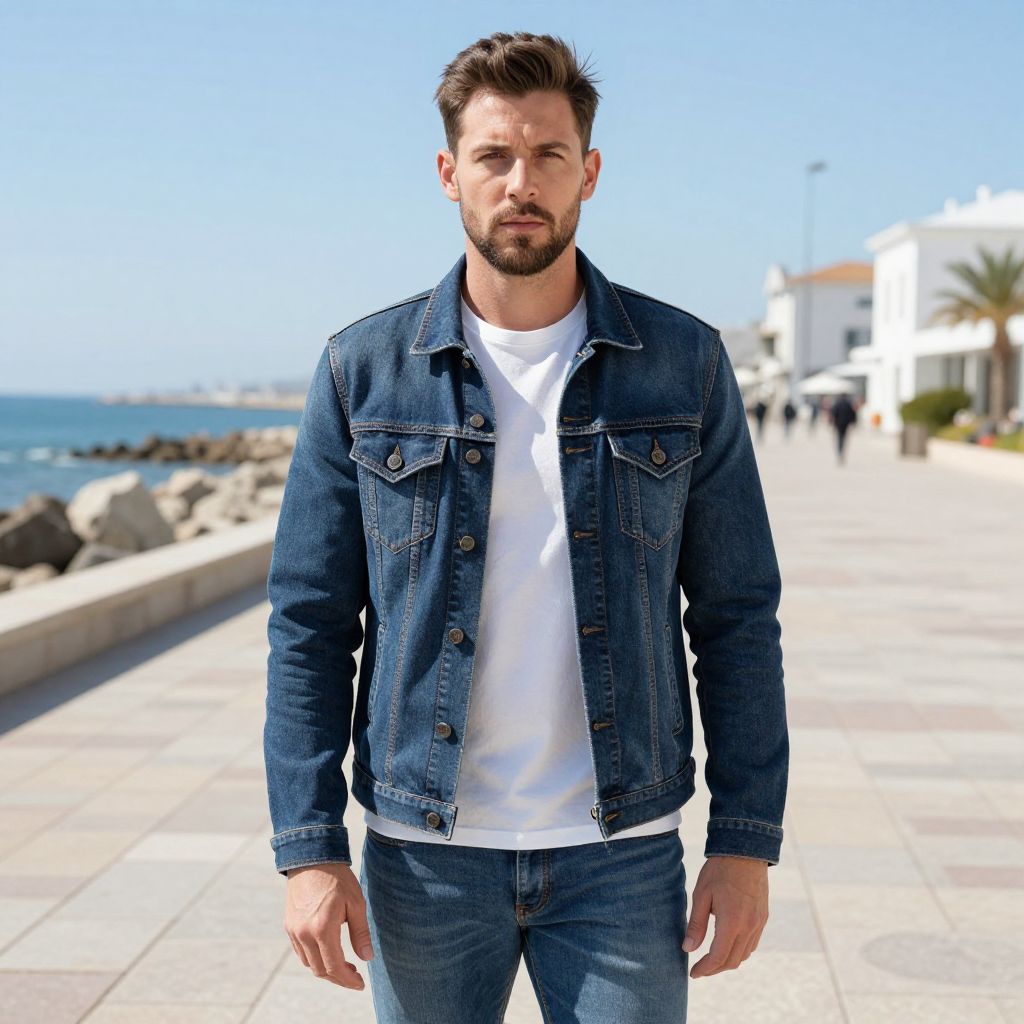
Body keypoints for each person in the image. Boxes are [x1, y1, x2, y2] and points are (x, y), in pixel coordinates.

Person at [263, 31, 789, 1024]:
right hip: (423, 857)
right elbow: (310, 628)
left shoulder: (683, 365)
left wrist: (744, 839)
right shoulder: (361, 372)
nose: (521, 182)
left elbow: (736, 618)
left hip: (621, 855)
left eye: (549, 153)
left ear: (589, 171)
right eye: (494, 155)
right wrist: (309, 849)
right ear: (448, 173)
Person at [829, 392, 858, 464]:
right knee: (843, 438)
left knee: (839, 438)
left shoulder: (837, 404)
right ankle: (841, 452)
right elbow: (853, 414)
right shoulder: (848, 404)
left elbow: (833, 413)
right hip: (845, 424)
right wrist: (853, 422)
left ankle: (840, 452)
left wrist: (831, 422)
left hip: (838, 424)